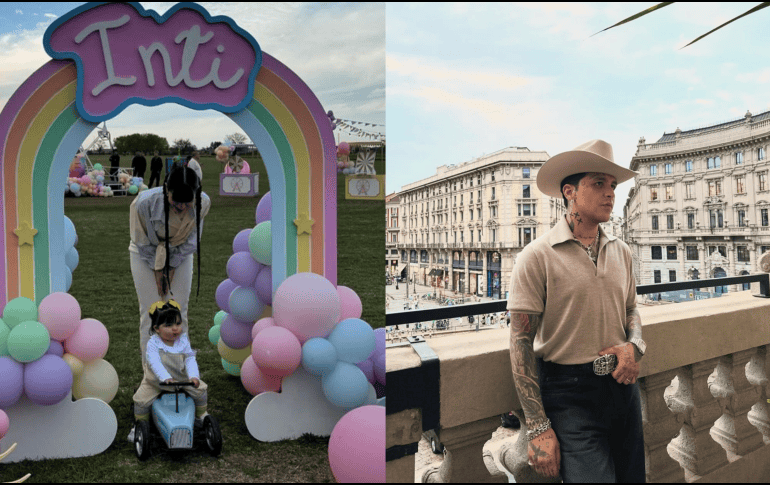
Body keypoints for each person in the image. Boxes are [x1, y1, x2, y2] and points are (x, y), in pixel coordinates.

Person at [507, 140, 646, 482]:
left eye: (612, 185)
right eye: (598, 183)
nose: (610, 193)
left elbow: (631, 310)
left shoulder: (622, 251)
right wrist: (538, 426)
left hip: (622, 390)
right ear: (569, 191)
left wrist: (635, 345)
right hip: (568, 397)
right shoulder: (535, 256)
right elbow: (520, 342)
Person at [129, 165, 211, 364]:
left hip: (181, 252)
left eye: (187, 201)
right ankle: (152, 375)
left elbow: (192, 240)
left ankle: (178, 371)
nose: (181, 207)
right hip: (145, 251)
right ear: (167, 191)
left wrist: (172, 265)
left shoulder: (204, 202)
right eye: (176, 201)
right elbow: (143, 241)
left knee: (178, 310)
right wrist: (158, 271)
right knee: (151, 311)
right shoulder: (144, 203)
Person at [128, 299, 208, 441]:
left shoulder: (183, 341)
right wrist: (165, 378)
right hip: (156, 382)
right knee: (140, 401)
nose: (175, 328)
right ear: (157, 328)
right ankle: (140, 426)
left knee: (201, 391)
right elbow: (154, 362)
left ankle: (200, 416)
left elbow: (189, 359)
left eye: (178, 323)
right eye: (169, 325)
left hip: (181, 379)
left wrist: (194, 376)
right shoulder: (153, 343)